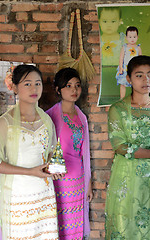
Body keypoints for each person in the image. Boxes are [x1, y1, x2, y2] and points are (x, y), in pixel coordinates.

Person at [0, 65, 60, 239]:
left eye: (38, 83)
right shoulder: (5, 123)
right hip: (18, 197)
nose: (34, 88)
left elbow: (52, 151)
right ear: (15, 88)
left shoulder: (47, 119)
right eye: (27, 84)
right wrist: (30, 172)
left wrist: (54, 167)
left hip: (44, 194)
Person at [105, 56, 150, 239]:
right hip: (124, 181)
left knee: (145, 232)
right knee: (122, 230)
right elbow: (120, 147)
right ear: (129, 79)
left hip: (149, 184)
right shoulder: (117, 109)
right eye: (139, 75)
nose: (146, 80)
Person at [46, 68, 93, 239]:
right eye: (68, 86)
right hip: (58, 179)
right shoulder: (50, 116)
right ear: (58, 90)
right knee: (59, 223)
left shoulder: (81, 117)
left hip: (78, 178)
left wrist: (88, 182)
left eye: (77, 85)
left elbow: (85, 154)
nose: (74, 90)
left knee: (75, 224)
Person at [116, 26, 142, 99]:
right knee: (122, 83)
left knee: (134, 84)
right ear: (126, 38)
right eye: (130, 37)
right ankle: (122, 98)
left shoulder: (138, 48)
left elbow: (140, 58)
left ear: (137, 37)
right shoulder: (124, 47)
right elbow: (121, 58)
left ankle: (134, 98)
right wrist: (121, 67)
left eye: (134, 37)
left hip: (134, 68)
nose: (132, 39)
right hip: (125, 67)